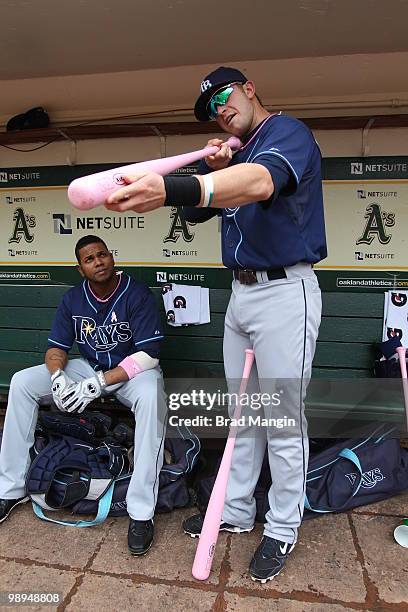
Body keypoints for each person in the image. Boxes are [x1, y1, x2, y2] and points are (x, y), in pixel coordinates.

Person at [104, 66, 327, 582]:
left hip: (284, 290)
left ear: (250, 89)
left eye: (224, 97)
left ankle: (282, 526)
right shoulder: (238, 153)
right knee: (243, 415)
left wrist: (192, 183)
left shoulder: (285, 132)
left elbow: (261, 181)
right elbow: (209, 207)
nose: (219, 110)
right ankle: (238, 509)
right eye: (210, 109)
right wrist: (212, 164)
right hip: (243, 293)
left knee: (281, 420)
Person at [0, 234, 167, 556]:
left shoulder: (136, 292)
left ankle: (141, 511)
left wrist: (100, 384)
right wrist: (58, 377)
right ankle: (10, 488)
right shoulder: (73, 299)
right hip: (89, 367)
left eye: (102, 255)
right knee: (22, 382)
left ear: (112, 258)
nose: (98, 262)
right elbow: (56, 348)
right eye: (89, 259)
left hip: (132, 371)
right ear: (81, 269)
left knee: (152, 399)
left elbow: (149, 354)